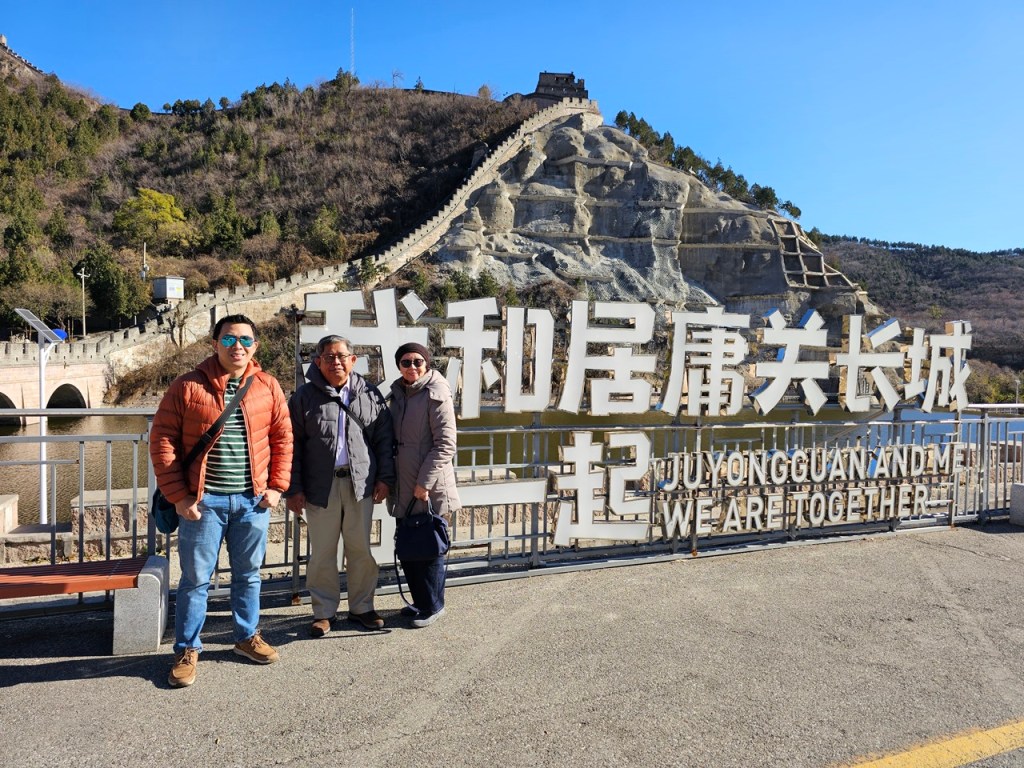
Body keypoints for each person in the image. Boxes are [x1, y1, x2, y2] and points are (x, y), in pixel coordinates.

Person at [150, 314, 293, 688]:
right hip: (204, 502)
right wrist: (179, 497)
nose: (237, 347)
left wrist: (277, 487)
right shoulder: (188, 386)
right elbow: (162, 441)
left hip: (252, 501)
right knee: (195, 580)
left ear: (255, 346)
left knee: (248, 575)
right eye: (229, 340)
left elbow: (282, 439)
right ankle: (187, 649)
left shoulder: (267, 386)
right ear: (215, 344)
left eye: (245, 340)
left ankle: (246, 637)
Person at [286, 335, 395, 635]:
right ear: (318, 361)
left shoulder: (369, 394)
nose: (336, 362)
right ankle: (324, 612)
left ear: (353, 360)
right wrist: (293, 489)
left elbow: (384, 440)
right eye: (329, 357)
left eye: (341, 356)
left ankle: (362, 607)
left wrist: (385, 478)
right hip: (320, 486)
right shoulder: (304, 397)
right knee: (323, 552)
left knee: (360, 549)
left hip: (360, 483)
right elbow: (292, 446)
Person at [389, 341, 460, 628]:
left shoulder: (436, 392)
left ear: (426, 363)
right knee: (410, 544)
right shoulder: (399, 393)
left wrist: (423, 483)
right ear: (399, 366)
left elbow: (446, 445)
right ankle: (420, 601)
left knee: (429, 546)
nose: (412, 367)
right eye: (406, 362)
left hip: (428, 485)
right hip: (403, 483)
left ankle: (433, 605)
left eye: (418, 361)